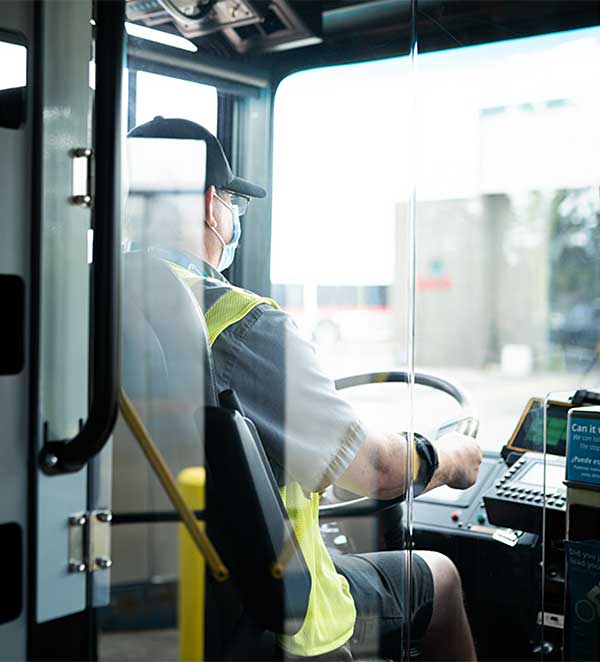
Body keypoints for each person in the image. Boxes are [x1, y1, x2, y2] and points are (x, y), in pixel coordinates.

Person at [126, 116, 483, 661]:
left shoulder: (89, 300)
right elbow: (376, 471)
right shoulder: (242, 323)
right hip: (282, 614)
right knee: (443, 576)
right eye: (232, 203)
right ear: (207, 203)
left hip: (156, 592)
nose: (232, 218)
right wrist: (450, 457)